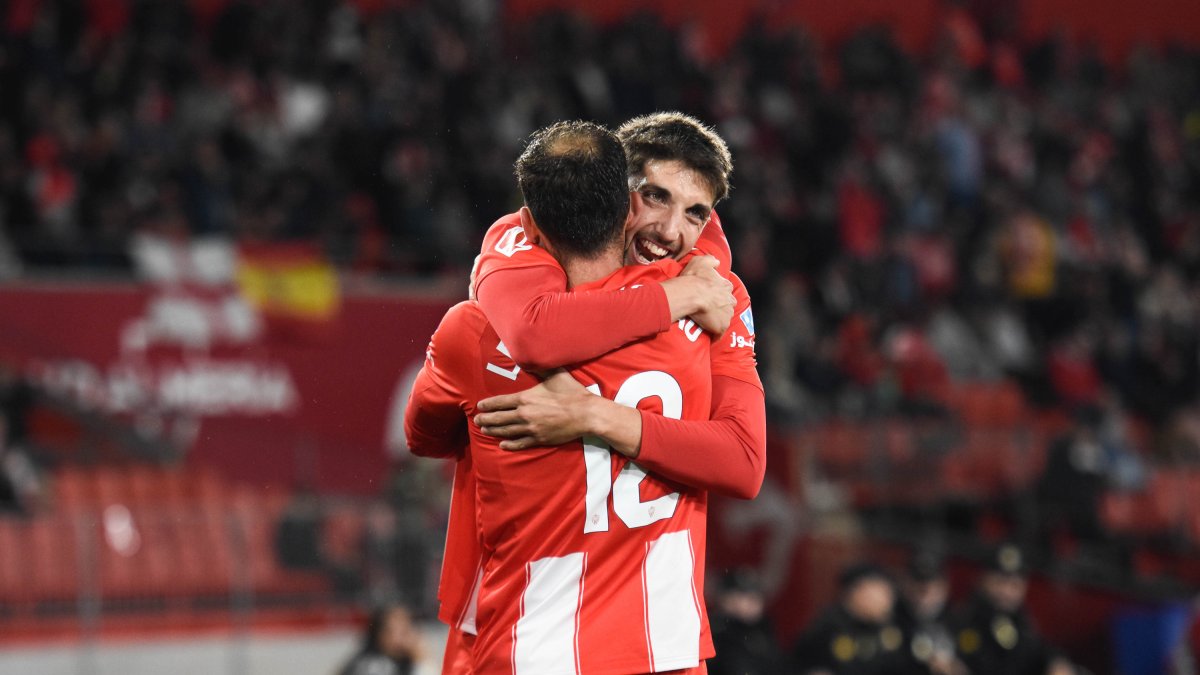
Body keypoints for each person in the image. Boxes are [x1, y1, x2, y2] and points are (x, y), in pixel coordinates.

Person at [412, 113, 765, 673]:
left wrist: (595, 416)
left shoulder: (715, 291)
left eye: (695, 213)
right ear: (616, 188)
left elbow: (745, 465)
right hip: (537, 617)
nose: (671, 231)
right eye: (655, 197)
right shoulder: (703, 294)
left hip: (620, 636)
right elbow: (538, 334)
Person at [951, 543, 1075, 675]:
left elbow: (1036, 648)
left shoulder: (1018, 617)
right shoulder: (966, 618)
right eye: (999, 582)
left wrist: (1056, 662)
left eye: (1014, 585)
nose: (1006, 592)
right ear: (982, 580)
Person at [791, 561, 908, 675]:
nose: (887, 602)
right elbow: (798, 663)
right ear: (858, 593)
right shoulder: (828, 627)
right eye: (880, 595)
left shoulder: (892, 626)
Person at [894, 552, 965, 675]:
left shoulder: (959, 621)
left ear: (945, 587)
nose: (924, 597)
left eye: (932, 588)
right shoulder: (893, 621)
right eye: (918, 588)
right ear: (905, 585)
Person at [708, 568, 788, 675]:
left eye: (755, 595)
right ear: (726, 599)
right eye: (744, 595)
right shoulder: (717, 632)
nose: (752, 601)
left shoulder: (763, 628)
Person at [338, 603, 428, 675]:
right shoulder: (374, 666)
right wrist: (421, 658)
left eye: (406, 629)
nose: (407, 637)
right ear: (380, 634)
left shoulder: (404, 662)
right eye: (398, 631)